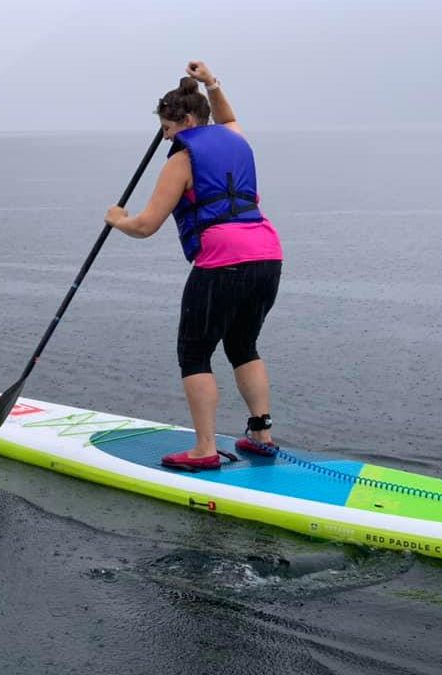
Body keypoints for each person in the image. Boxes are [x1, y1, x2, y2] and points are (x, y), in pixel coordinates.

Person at [105, 61, 284, 471]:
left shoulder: (180, 162)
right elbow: (230, 115)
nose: (166, 138)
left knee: (194, 353)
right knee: (243, 345)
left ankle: (204, 449)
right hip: (268, 254)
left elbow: (146, 225)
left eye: (168, 129)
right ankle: (261, 435)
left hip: (224, 260)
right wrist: (212, 83)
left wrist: (118, 220)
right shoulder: (236, 137)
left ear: (186, 120)